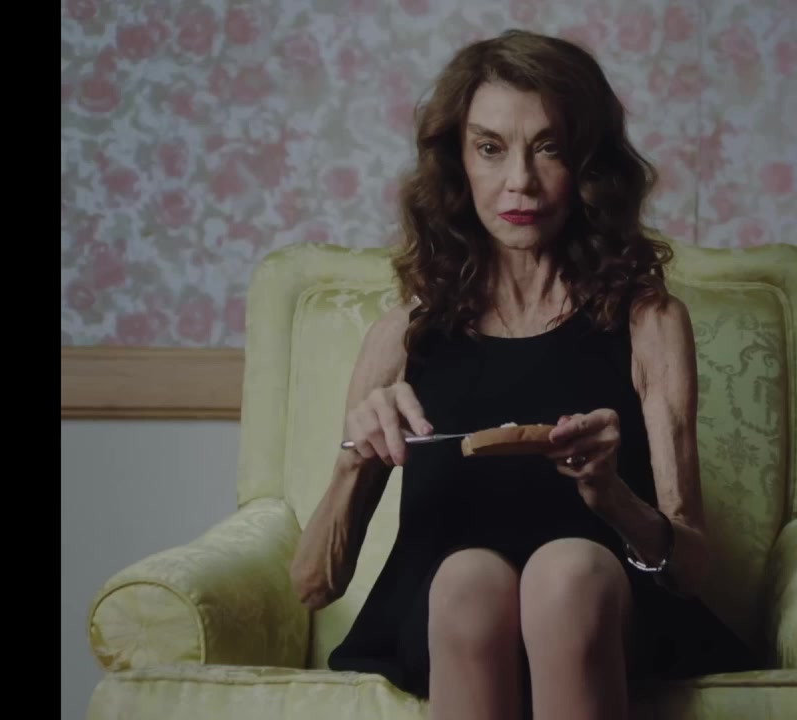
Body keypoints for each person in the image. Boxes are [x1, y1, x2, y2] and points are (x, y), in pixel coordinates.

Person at [289, 29, 758, 720]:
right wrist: (356, 456)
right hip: (447, 610)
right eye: (490, 148)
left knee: (568, 572)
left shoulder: (647, 320)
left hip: (604, 606)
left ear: (589, 165)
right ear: (457, 163)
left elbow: (689, 567)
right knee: (469, 579)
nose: (520, 182)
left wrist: (612, 497)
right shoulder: (401, 336)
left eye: (549, 148)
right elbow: (313, 585)